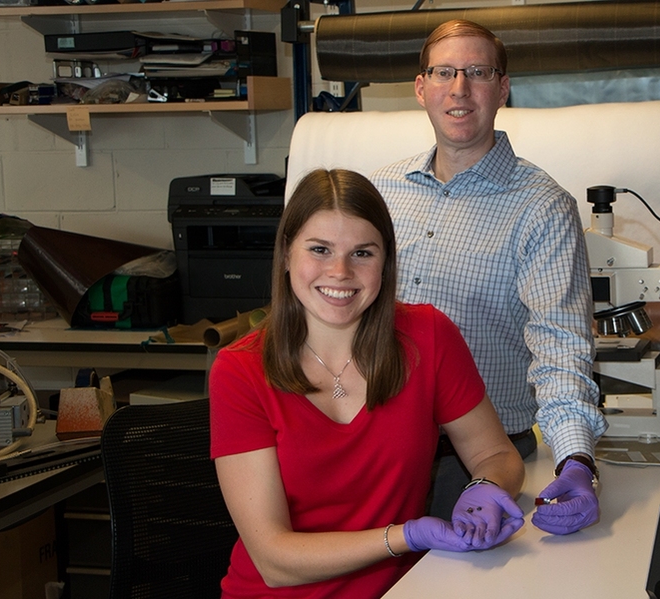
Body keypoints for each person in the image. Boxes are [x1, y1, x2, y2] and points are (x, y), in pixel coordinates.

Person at [209, 168, 525, 599]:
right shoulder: (240, 370)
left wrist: (487, 486)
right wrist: (404, 536)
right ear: (285, 254)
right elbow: (274, 560)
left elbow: (495, 453)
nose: (340, 271)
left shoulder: (428, 337)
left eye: (362, 253)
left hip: (405, 590)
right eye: (319, 249)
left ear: (386, 262)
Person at [370, 19, 608, 535]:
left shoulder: (541, 207)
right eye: (444, 72)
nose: (459, 88)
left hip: (482, 462)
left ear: (502, 88)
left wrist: (576, 461)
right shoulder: (380, 193)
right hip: (375, 447)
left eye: (478, 72)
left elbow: (561, 345)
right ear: (421, 87)